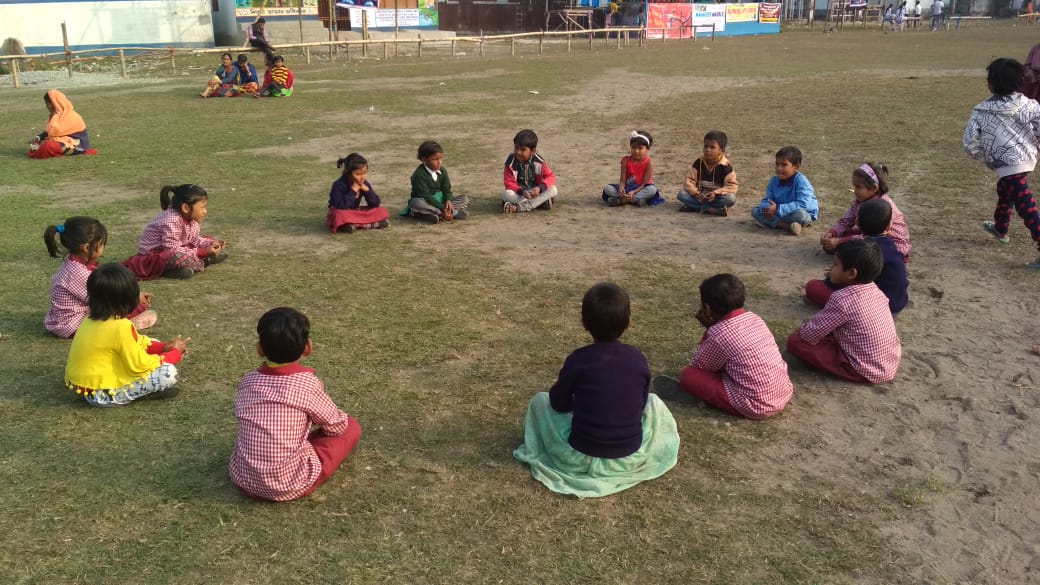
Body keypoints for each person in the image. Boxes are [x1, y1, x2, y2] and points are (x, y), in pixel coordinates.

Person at [512, 283, 679, 498]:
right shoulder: (637, 359)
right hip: (628, 457)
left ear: (584, 323)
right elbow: (641, 403)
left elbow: (557, 403)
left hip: (578, 456)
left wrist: (581, 405)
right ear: (629, 321)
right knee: (654, 402)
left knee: (539, 401)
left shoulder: (578, 360)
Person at [229, 307, 362, 502]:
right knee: (351, 427)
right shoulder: (306, 384)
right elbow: (337, 426)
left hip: (244, 480)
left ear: (259, 349)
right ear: (308, 347)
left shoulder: (248, 381)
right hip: (290, 484)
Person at [652, 274, 792, 419]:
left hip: (756, 405)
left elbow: (699, 367)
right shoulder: (755, 319)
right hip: (782, 392)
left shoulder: (719, 334)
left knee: (689, 376)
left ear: (707, 308)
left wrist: (709, 329)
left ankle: (698, 398)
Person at [64, 263, 190, 406]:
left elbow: (138, 341)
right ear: (128, 299)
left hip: (83, 387)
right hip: (101, 394)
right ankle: (134, 394)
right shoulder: (120, 327)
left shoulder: (89, 319)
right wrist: (174, 354)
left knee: (152, 342)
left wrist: (163, 347)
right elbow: (140, 365)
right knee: (169, 372)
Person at [787, 240, 902, 384]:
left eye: (835, 264)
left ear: (851, 273)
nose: (831, 268)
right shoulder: (876, 290)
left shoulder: (842, 299)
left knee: (796, 341)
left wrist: (806, 326)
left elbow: (808, 335)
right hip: (889, 361)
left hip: (864, 368)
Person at [963, 58, 1040, 268]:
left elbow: (969, 142)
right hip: (1026, 160)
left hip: (1006, 164)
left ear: (990, 84)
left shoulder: (981, 111)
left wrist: (986, 158)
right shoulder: (1031, 105)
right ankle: (1000, 229)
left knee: (1026, 207)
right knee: (1006, 190)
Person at [45, 217, 157, 338]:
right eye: (102, 244)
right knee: (118, 309)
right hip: (73, 326)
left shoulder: (73, 265)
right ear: (86, 247)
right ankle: (123, 324)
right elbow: (105, 299)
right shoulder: (77, 273)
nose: (103, 247)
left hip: (63, 321)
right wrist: (133, 299)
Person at [807, 199, 909, 314]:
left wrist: (835, 276)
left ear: (857, 222)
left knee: (813, 287)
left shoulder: (859, 250)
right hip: (898, 302)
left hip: (876, 308)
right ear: (888, 227)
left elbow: (845, 282)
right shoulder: (891, 244)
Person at [123, 184, 228, 280]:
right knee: (178, 257)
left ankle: (182, 270)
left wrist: (212, 244)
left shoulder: (191, 219)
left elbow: (194, 239)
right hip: (155, 257)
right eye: (202, 207)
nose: (205, 211)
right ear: (186, 208)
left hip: (176, 248)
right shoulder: (171, 220)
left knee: (208, 240)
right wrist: (204, 252)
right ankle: (206, 261)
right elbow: (171, 250)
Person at [820, 163, 911, 261]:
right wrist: (832, 233)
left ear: (874, 188)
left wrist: (839, 241)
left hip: (889, 243)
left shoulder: (882, 207)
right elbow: (846, 220)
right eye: (854, 187)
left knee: (857, 252)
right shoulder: (859, 201)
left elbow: (872, 235)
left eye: (858, 187)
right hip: (869, 236)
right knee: (840, 242)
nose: (855, 191)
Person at [751, 146, 818, 235]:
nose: (779, 168)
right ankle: (787, 226)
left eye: (784, 165)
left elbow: (803, 204)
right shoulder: (774, 181)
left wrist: (778, 209)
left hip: (797, 212)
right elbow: (767, 200)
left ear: (796, 167)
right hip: (778, 212)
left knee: (801, 215)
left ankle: (777, 223)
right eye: (777, 164)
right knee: (755, 211)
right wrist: (767, 208)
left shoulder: (801, 181)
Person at [676, 130, 739, 216]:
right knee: (681, 195)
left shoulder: (726, 166)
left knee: (730, 199)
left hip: (716, 198)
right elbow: (689, 181)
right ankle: (712, 209)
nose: (707, 150)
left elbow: (732, 186)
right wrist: (696, 193)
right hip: (699, 196)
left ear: (722, 150)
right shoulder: (698, 163)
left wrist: (716, 193)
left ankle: (694, 207)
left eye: (712, 147)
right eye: (705, 146)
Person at [405, 140, 469, 223]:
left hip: (440, 201)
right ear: (424, 160)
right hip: (425, 201)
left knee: (464, 198)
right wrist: (443, 208)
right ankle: (447, 213)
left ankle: (435, 213)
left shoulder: (442, 171)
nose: (439, 162)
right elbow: (425, 196)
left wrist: (448, 200)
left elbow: (447, 190)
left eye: (441, 158)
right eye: (435, 159)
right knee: (415, 203)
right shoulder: (419, 175)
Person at [326, 153, 390, 233]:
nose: (363, 177)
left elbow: (375, 204)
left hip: (355, 211)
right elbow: (340, 206)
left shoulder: (364, 183)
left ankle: (353, 225)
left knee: (381, 210)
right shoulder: (338, 185)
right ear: (348, 173)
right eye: (358, 174)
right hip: (341, 211)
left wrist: (368, 191)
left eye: (365, 173)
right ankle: (370, 224)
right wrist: (353, 191)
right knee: (339, 215)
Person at [27, 90, 98, 159]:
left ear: (55, 103)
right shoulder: (57, 116)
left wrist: (54, 116)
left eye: (48, 104)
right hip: (63, 140)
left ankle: (40, 150)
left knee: (48, 145)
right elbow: (48, 132)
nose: (47, 107)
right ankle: (40, 149)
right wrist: (38, 137)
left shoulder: (71, 115)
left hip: (77, 145)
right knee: (39, 143)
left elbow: (53, 132)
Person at [502, 129, 558, 213]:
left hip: (535, 193)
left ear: (533, 151)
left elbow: (550, 176)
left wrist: (540, 188)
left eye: (523, 149)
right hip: (520, 194)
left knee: (553, 189)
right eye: (516, 148)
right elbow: (508, 183)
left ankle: (518, 208)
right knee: (506, 194)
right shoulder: (510, 162)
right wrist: (521, 191)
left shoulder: (539, 162)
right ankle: (540, 203)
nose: (518, 152)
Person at [602, 130, 659, 207]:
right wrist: (621, 188)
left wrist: (634, 192)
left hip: (641, 188)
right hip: (627, 188)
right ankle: (636, 201)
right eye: (633, 147)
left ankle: (622, 201)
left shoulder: (649, 163)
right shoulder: (625, 161)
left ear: (648, 149)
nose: (636, 151)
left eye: (640, 148)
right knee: (608, 189)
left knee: (652, 190)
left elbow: (644, 184)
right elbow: (622, 180)